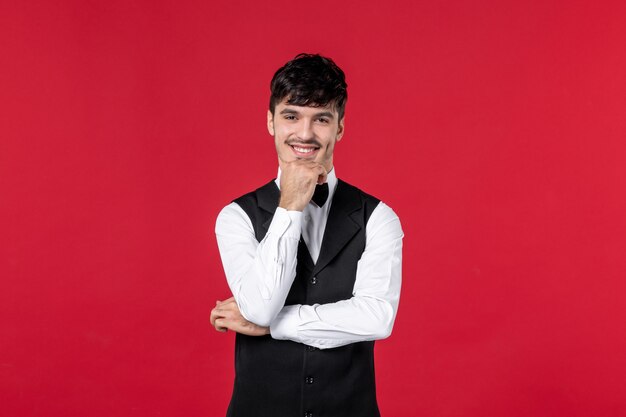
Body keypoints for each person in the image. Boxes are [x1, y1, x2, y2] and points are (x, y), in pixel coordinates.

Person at [210, 53, 403, 417]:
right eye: (291, 116)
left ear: (340, 128)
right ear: (270, 121)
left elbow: (377, 317)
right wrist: (291, 206)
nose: (305, 133)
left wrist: (271, 327)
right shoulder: (234, 217)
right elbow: (261, 305)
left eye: (321, 119)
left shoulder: (379, 218)